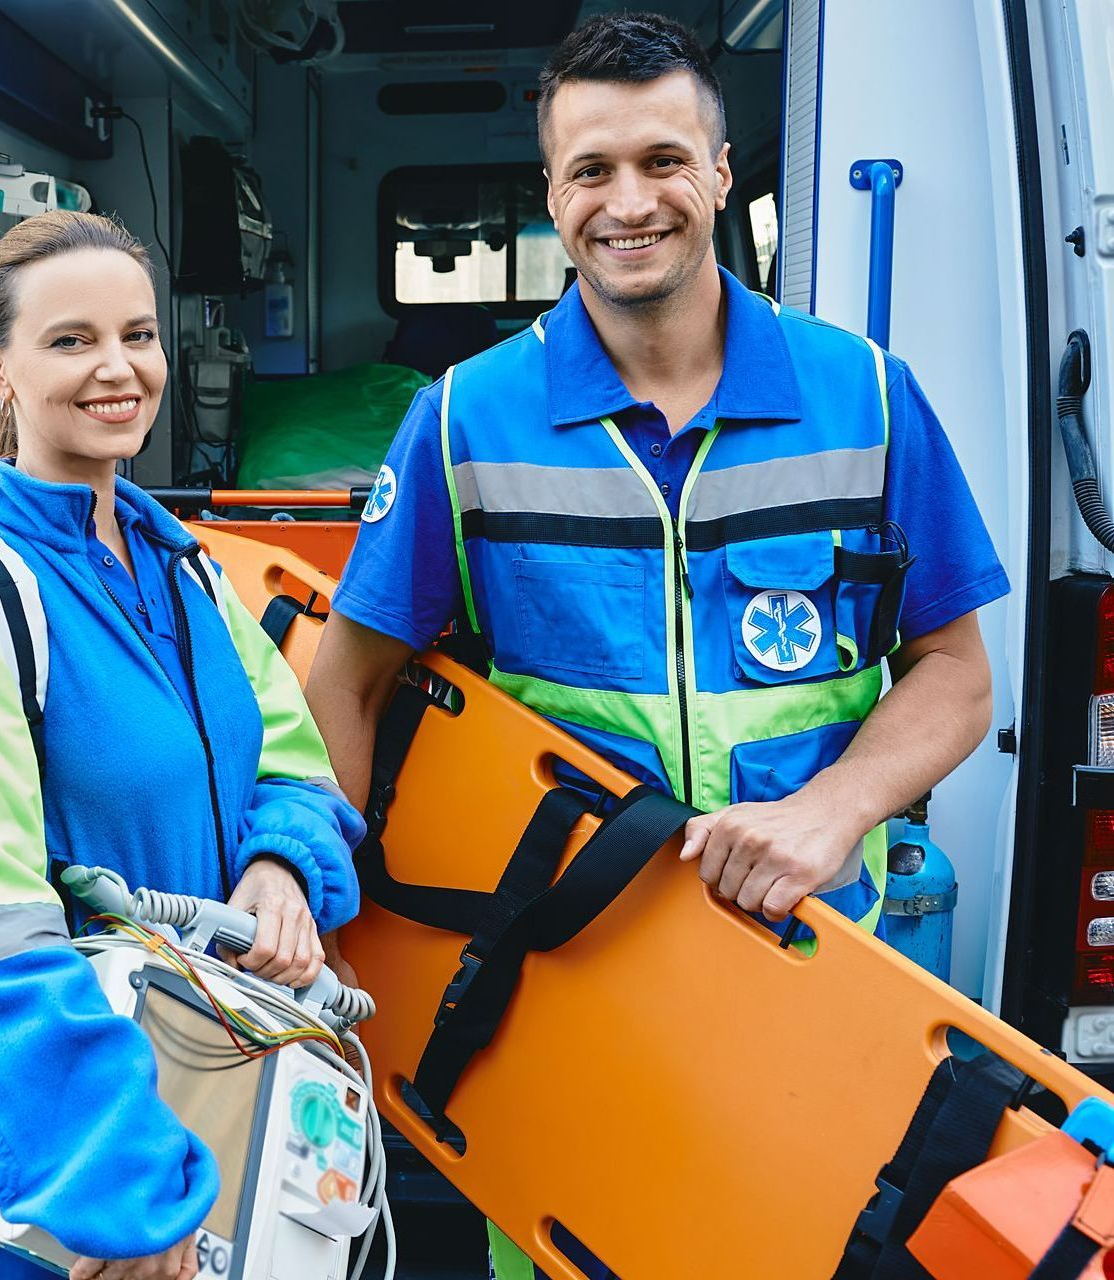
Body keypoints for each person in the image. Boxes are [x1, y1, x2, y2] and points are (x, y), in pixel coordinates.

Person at [305, 13, 1007, 1278]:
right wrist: (319, 914)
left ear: (723, 173)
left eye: (662, 160)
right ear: (552, 195)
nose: (628, 201)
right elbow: (344, 681)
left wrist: (833, 808)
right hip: (559, 976)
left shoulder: (872, 396)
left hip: (814, 960)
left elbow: (955, 672)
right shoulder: (460, 419)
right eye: (590, 170)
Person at [0, 210, 364, 1280]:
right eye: (71, 340)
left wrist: (282, 864)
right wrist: (121, 1197)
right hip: (71, 1186)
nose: (119, 369)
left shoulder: (180, 564)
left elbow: (292, 758)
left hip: (209, 1094)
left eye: (137, 335)